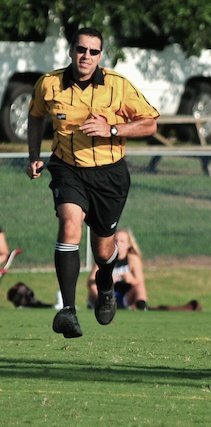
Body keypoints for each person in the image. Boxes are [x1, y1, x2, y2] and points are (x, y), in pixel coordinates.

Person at [25, 27, 159, 338]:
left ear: (100, 55)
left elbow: (150, 124)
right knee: (69, 223)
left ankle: (106, 283)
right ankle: (68, 311)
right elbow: (35, 115)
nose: (86, 56)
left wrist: (112, 129)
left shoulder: (117, 85)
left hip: (109, 174)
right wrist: (33, 155)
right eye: (81, 49)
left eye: (93, 51)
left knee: (103, 249)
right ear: (71, 50)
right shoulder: (49, 84)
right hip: (67, 168)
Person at [87, 228, 148, 310]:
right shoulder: (104, 257)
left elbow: (140, 281)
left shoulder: (133, 259)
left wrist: (131, 279)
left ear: (129, 244)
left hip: (126, 294)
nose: (118, 244)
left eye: (122, 241)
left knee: (139, 287)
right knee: (93, 285)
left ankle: (141, 305)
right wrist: (107, 279)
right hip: (107, 294)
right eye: (116, 241)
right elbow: (90, 281)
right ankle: (105, 304)